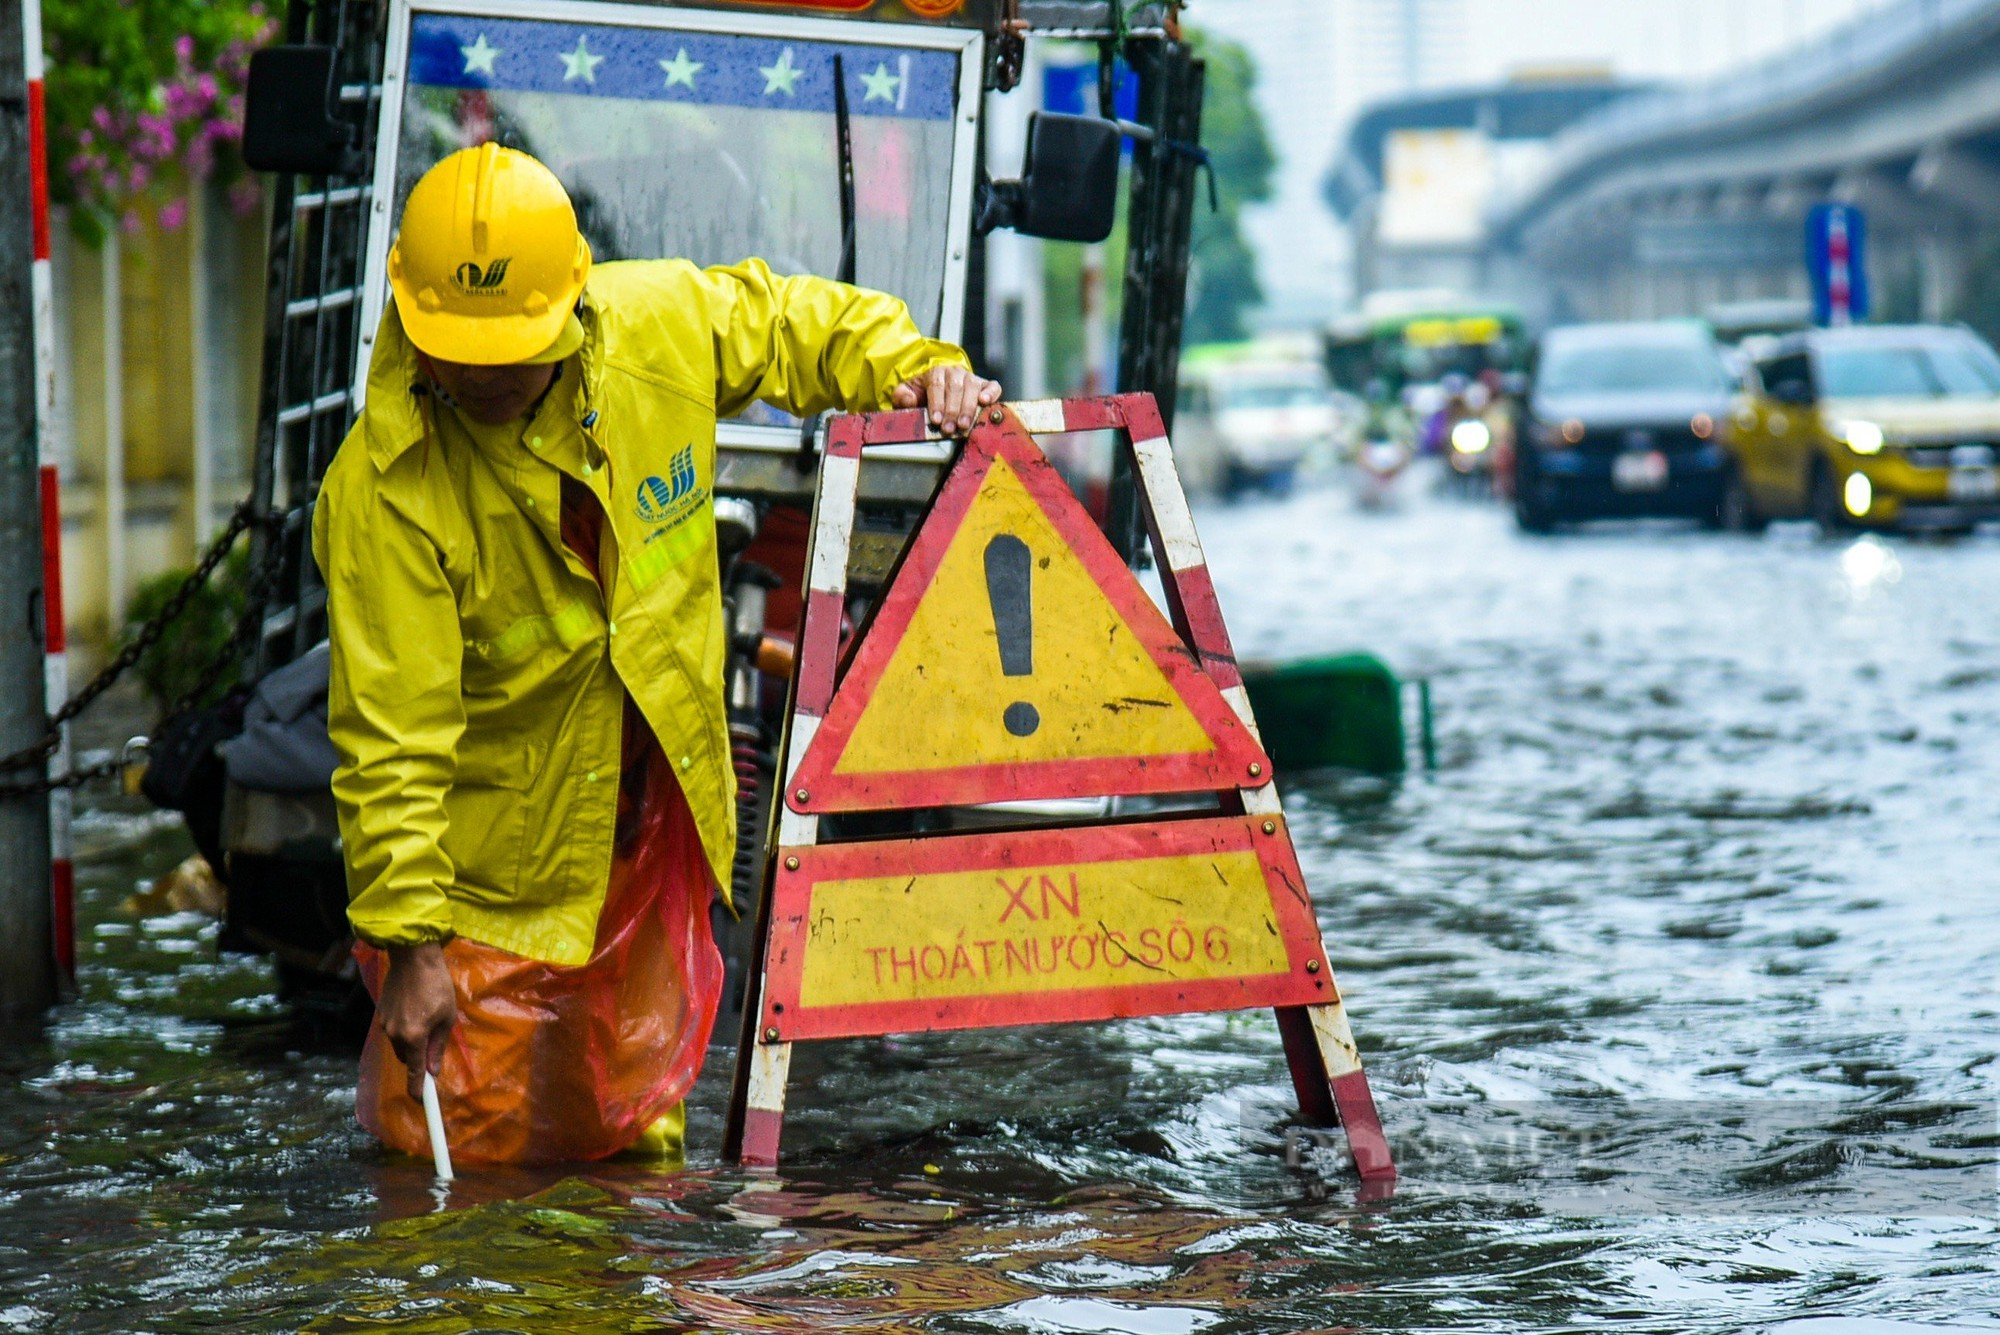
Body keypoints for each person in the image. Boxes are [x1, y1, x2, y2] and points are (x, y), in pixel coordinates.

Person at [311, 143, 1000, 1164]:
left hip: (646, 821)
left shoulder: (653, 329)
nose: (489, 374)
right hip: (492, 890)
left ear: (574, 306)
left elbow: (786, 323)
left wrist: (912, 364)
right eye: (463, 349)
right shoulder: (384, 492)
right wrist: (412, 945)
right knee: (465, 1180)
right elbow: (391, 738)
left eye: (516, 346)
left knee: (638, 1140)